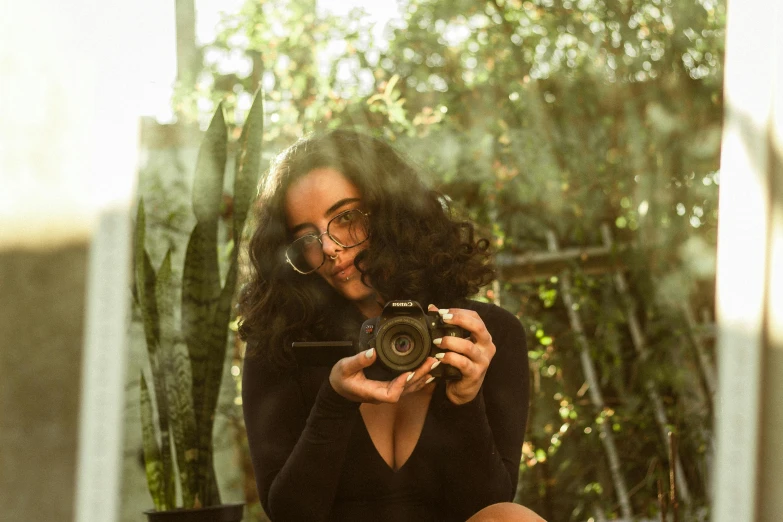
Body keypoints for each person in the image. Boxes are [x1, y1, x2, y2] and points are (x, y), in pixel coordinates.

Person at [239, 130, 543, 522]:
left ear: (390, 212)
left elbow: (487, 505)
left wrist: (463, 401)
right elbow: (290, 515)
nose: (330, 248)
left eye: (346, 217)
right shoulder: (283, 347)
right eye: (308, 237)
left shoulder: (484, 335)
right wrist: (335, 401)